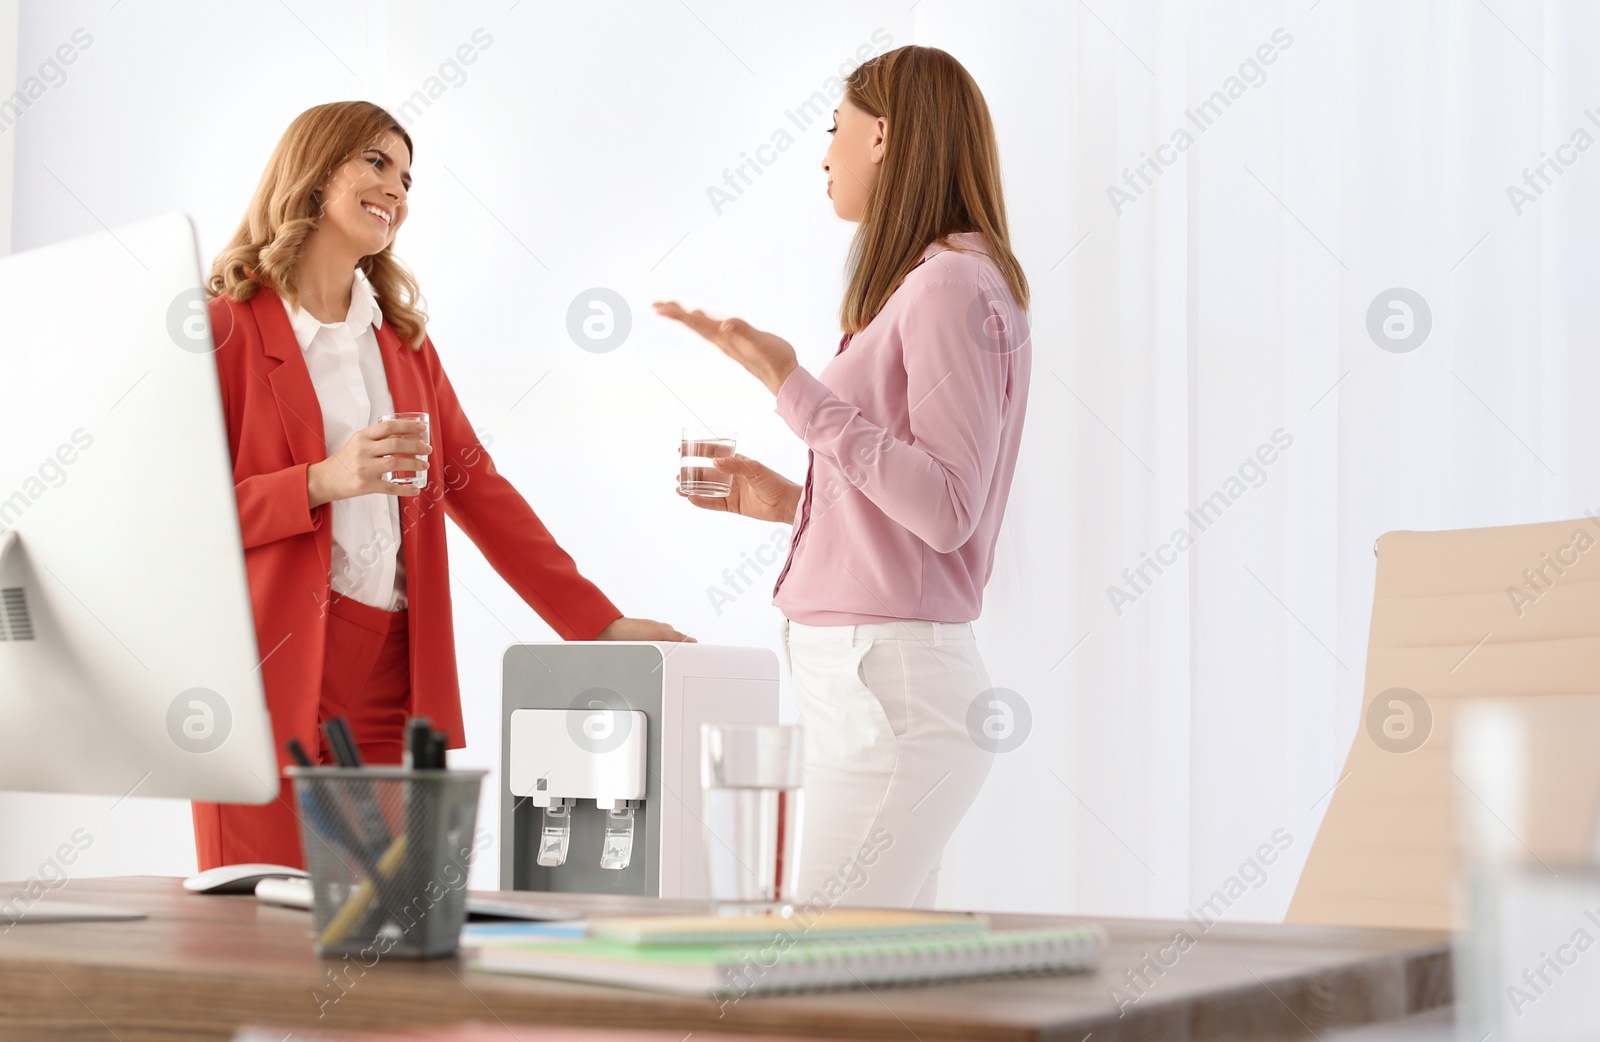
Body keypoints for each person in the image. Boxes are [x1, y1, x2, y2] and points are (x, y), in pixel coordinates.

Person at [196, 101, 689, 870]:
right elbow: (180, 525)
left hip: (392, 669)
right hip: (269, 669)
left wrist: (597, 623)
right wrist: (321, 481)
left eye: (407, 176)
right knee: (256, 930)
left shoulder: (400, 342)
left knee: (387, 936)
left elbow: (478, 489)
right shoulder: (226, 326)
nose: (396, 188)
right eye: (376, 163)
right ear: (316, 171)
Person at [655, 45, 1031, 908]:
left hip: (891, 703)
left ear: (886, 135)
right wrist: (795, 504)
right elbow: (913, 510)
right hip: (874, 696)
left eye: (836, 129)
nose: (824, 153)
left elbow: (946, 511)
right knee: (871, 989)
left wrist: (792, 388)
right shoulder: (931, 286)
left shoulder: (949, 286)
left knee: (801, 975)